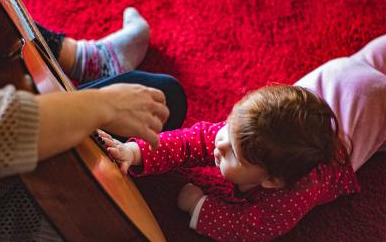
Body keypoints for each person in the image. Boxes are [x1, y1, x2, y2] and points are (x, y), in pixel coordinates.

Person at [0, 0, 186, 241]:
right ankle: (92, 61)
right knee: (155, 101)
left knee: (156, 97)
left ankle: (86, 59)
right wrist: (104, 106)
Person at [101, 34, 386, 241]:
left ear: (272, 181)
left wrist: (199, 206)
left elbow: (252, 226)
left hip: (370, 101)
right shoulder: (238, 138)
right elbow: (189, 142)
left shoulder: (291, 194)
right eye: (228, 126)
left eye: (234, 153)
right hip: (338, 78)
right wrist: (136, 152)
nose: (219, 143)